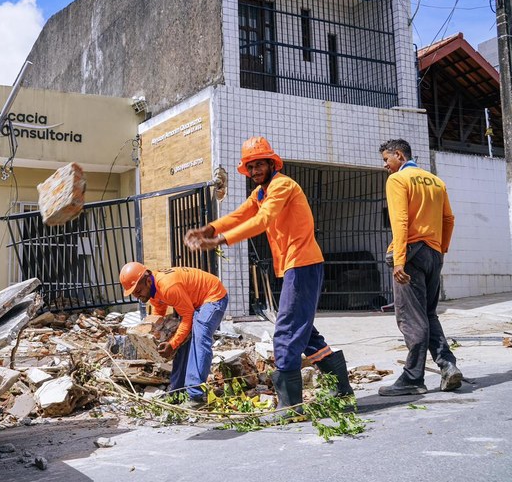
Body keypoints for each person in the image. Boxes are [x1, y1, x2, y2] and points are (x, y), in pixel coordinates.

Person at [184, 136, 353, 417]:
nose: (254, 171)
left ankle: (291, 406)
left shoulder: (282, 185)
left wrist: (220, 240)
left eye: (259, 164)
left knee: (286, 333)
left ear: (271, 163)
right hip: (294, 266)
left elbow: (263, 221)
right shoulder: (260, 193)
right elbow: (241, 215)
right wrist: (209, 229)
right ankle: (342, 390)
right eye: (250, 167)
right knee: (306, 334)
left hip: (303, 264)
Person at [377, 139, 462, 396]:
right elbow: (448, 219)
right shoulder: (436, 181)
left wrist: (399, 259)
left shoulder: (398, 181)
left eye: (386, 159)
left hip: (412, 253)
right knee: (428, 314)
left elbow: (400, 221)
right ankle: (448, 366)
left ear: (399, 155)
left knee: (410, 317)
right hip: (434, 252)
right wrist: (441, 249)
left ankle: (413, 378)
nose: (385, 166)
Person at [119, 262, 228, 408]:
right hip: (196, 302)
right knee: (183, 341)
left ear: (148, 281)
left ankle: (195, 396)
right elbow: (159, 310)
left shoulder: (168, 287)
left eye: (138, 291)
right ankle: (177, 392)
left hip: (213, 296)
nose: (137, 296)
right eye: (133, 293)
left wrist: (172, 344)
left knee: (199, 338)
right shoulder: (153, 290)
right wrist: (153, 335)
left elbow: (187, 317)